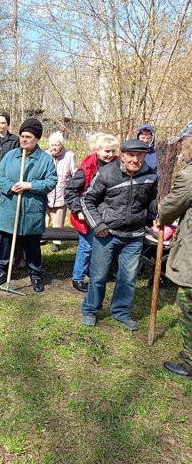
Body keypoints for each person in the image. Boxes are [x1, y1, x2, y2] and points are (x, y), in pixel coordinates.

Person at [80, 139, 158, 330]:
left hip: (134, 236)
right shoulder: (107, 173)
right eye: (131, 155)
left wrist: (161, 209)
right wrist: (97, 224)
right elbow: (87, 199)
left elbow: (151, 203)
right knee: (98, 276)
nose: (135, 159)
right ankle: (90, 310)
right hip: (107, 234)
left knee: (128, 277)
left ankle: (121, 312)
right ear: (121, 155)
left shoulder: (150, 176)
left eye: (140, 155)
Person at [0, 118, 58, 292]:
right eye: (22, 135)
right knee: (5, 242)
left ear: (37, 139)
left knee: (32, 245)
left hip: (31, 210)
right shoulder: (11, 155)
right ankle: (3, 271)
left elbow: (52, 181)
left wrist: (31, 185)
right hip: (10, 208)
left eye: (28, 136)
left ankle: (35, 275)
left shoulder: (45, 159)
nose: (24, 139)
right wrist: (10, 186)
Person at [158, 120, 192, 379]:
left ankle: (190, 363)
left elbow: (170, 208)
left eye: (184, 143)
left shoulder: (189, 175)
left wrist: (161, 214)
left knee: (187, 303)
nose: (181, 149)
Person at [64, 134, 119, 292]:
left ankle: (97, 272)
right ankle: (78, 277)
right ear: (97, 150)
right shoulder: (87, 169)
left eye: (113, 151)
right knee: (86, 246)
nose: (110, 154)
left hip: (108, 213)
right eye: (107, 151)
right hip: (87, 212)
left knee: (104, 246)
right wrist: (78, 209)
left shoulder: (118, 166)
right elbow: (70, 190)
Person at [45, 131, 77, 252]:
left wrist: (71, 188)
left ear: (62, 145)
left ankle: (56, 241)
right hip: (47, 191)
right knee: (44, 216)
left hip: (61, 190)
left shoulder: (69, 155)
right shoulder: (45, 155)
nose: (54, 147)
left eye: (57, 145)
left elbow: (74, 173)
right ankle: (43, 237)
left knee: (59, 217)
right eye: (52, 145)